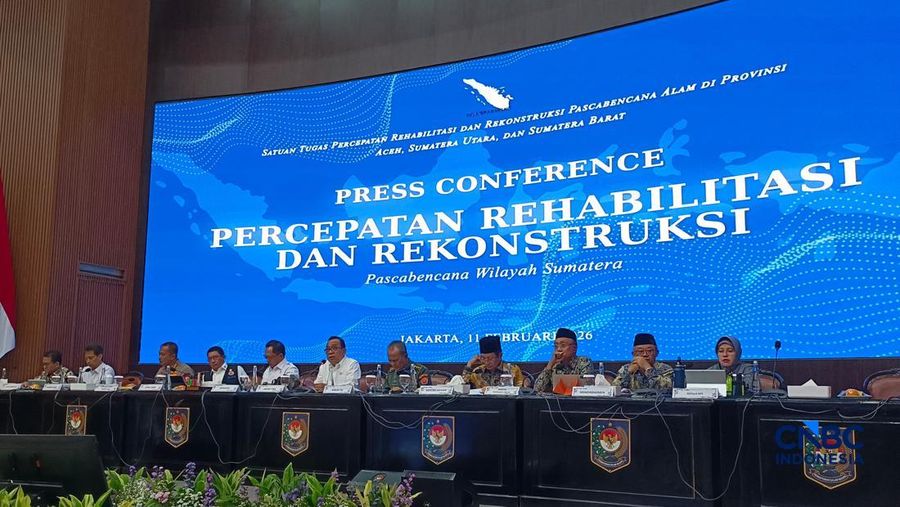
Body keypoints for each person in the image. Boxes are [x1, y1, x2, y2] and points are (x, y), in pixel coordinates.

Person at [534, 328, 594, 392]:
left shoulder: (584, 362)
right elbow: (537, 390)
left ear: (574, 348)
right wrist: (550, 365)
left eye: (563, 345)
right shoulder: (553, 366)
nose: (559, 349)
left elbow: (587, 388)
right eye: (556, 346)